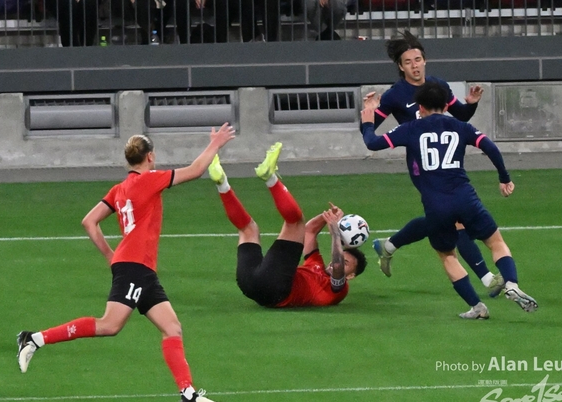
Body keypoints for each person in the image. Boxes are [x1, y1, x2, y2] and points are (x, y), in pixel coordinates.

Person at [16, 124, 236, 402]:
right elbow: (195, 170)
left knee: (172, 327)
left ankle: (189, 395)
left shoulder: (119, 189)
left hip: (139, 268)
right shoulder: (151, 180)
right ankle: (34, 339)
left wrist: (111, 255)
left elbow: (89, 221)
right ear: (150, 157)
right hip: (135, 266)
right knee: (109, 325)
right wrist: (216, 144)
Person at [360, 81, 538, 318]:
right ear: (446, 106)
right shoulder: (460, 126)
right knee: (496, 243)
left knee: (447, 256)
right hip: (465, 197)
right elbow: (491, 148)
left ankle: (477, 307)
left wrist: (368, 120)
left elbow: (372, 142)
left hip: (436, 205)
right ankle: (512, 284)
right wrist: (504, 178)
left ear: (420, 107)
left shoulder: (410, 128)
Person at [363, 30, 504, 300]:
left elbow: (460, 115)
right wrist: (367, 115)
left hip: (446, 162)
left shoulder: (438, 86)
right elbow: (370, 129)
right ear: (401, 67)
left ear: (425, 60)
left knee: (440, 218)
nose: (414, 66)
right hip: (422, 166)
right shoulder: (395, 95)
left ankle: (389, 245)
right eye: (408, 62)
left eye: (417, 60)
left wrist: (471, 105)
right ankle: (488, 278)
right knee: (455, 219)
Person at [207, 142, 367, 307]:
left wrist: (335, 233)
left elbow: (337, 264)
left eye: (346, 264)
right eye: (341, 259)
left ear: (350, 276)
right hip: (250, 285)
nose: (335, 262)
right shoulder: (315, 264)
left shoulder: (338, 289)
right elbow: (309, 231)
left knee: (295, 222)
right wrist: (327, 217)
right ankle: (222, 184)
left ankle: (270, 178)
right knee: (248, 229)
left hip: (276, 289)